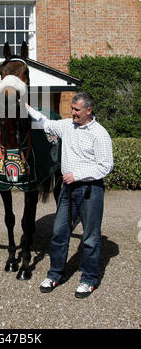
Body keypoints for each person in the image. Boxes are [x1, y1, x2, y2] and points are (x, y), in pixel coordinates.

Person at [26, 91, 113, 299]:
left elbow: (106, 166)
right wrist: (25, 107)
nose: (72, 113)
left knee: (91, 237)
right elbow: (45, 122)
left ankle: (89, 279)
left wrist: (78, 175)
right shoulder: (67, 126)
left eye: (76, 110)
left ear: (88, 110)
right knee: (59, 233)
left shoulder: (100, 134)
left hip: (90, 191)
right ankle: (55, 274)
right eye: (71, 109)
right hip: (68, 190)